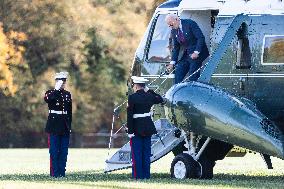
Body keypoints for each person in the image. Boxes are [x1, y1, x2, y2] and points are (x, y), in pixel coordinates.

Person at [127, 76, 164, 179]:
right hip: (148, 127)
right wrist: (149, 90)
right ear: (144, 86)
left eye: (134, 85)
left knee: (137, 154)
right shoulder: (149, 96)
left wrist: (130, 131)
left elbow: (129, 116)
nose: (133, 87)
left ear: (136, 86)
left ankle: (138, 176)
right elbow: (160, 98)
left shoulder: (132, 98)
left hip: (136, 128)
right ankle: (146, 176)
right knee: (146, 153)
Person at [165, 13, 209, 83]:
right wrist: (172, 63)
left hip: (198, 52)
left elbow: (200, 38)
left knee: (192, 76)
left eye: (170, 23)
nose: (170, 26)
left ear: (176, 19)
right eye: (168, 24)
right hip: (187, 54)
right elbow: (176, 48)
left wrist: (196, 52)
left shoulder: (189, 23)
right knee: (178, 71)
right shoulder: (173, 30)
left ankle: (192, 91)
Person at [44, 71, 72, 177]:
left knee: (64, 152)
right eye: (61, 81)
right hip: (54, 126)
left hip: (64, 126)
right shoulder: (50, 93)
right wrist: (56, 89)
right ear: (56, 81)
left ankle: (62, 173)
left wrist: (69, 126)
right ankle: (54, 173)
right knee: (54, 151)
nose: (63, 83)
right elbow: (47, 99)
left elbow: (69, 112)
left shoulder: (67, 94)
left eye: (64, 81)